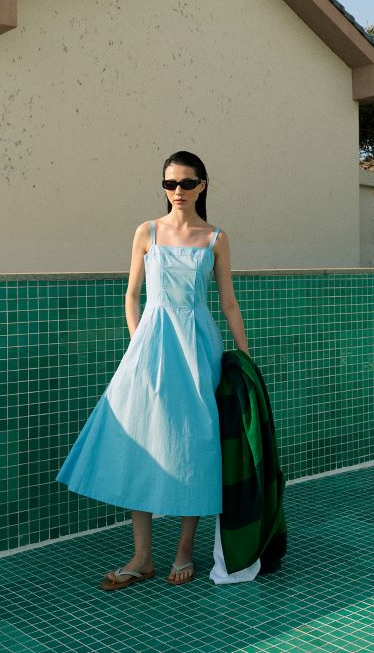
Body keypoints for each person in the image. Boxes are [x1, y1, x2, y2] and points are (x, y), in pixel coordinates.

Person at [56, 150, 250, 589]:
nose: (177, 191)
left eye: (186, 183)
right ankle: (142, 557)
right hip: (150, 347)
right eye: (169, 183)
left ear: (202, 186)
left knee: (195, 444)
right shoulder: (146, 232)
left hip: (197, 348)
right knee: (140, 443)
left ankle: (184, 549)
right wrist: (137, 344)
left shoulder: (216, 238)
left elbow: (228, 303)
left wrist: (245, 357)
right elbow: (131, 295)